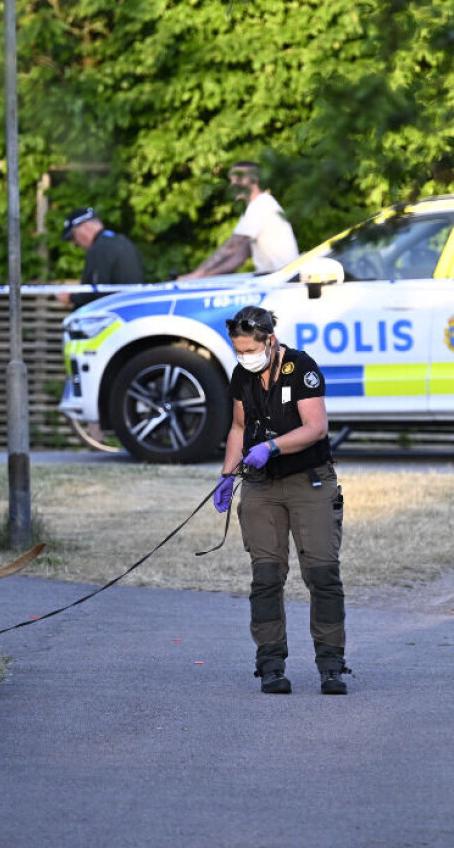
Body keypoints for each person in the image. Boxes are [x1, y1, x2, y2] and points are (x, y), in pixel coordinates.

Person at [210, 305, 348, 694]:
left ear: (270, 341)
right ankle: (271, 664)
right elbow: (238, 427)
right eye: (238, 350)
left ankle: (331, 665)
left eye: (249, 350)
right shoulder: (242, 375)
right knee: (266, 576)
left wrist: (271, 446)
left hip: (310, 482)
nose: (244, 357)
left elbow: (316, 428)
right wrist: (226, 475)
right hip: (261, 486)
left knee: (322, 573)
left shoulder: (301, 368)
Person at [178, 161, 299, 280]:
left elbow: (231, 246)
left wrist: (195, 275)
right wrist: (203, 276)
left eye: (238, 179)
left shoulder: (261, 206)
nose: (233, 184)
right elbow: (239, 257)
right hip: (276, 280)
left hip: (282, 282)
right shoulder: (255, 207)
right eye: (232, 180)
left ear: (254, 180)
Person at [58, 207, 145, 309]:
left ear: (85, 227)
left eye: (73, 236)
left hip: (113, 317)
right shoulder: (123, 242)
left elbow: (96, 294)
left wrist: (71, 298)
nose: (74, 243)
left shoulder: (98, 249)